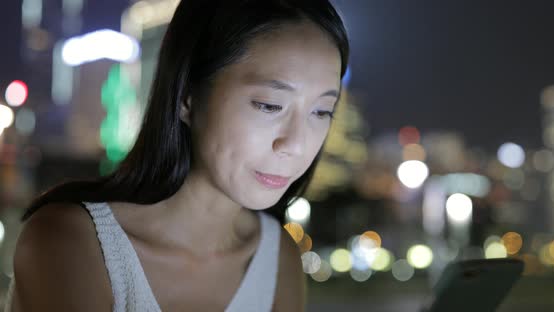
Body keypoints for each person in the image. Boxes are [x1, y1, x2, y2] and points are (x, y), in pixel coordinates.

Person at [4, 0, 349, 311]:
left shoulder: (278, 260)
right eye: (269, 105)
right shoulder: (75, 243)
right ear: (187, 96)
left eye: (322, 112)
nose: (296, 144)